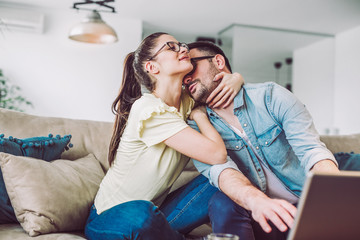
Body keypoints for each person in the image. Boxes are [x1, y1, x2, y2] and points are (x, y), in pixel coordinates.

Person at [183, 41, 359, 240]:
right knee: (222, 202)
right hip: (266, 214)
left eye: (193, 65)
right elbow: (223, 172)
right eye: (183, 74)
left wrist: (332, 194)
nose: (187, 76)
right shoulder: (197, 127)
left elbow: (310, 149)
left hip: (308, 198)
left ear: (218, 61)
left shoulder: (270, 96)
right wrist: (258, 202)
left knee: (354, 163)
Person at [84, 33, 244, 240]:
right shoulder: (147, 109)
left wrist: (236, 78)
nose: (183, 49)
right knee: (141, 213)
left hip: (157, 215)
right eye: (171, 47)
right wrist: (199, 116)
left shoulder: (187, 100)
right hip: (110, 218)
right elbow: (216, 154)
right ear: (152, 67)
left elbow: (216, 87)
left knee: (225, 179)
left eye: (181, 45)